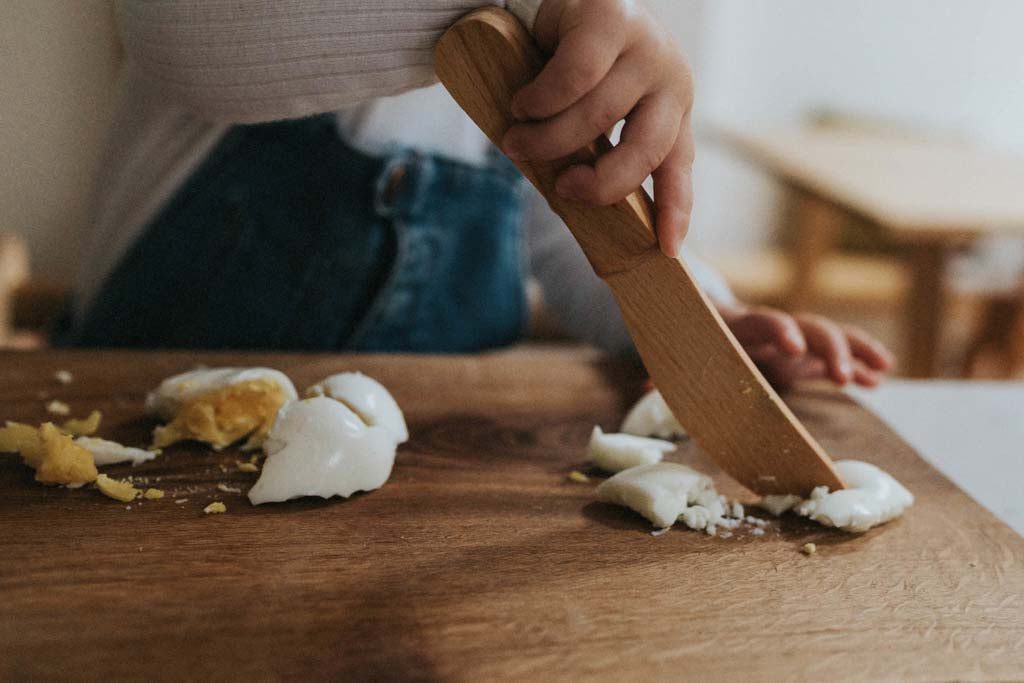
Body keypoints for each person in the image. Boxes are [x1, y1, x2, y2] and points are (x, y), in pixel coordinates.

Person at [66, 0, 894, 389]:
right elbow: (182, 35)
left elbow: (566, 233)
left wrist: (698, 321)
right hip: (149, 438)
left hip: (428, 486)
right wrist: (535, 8)